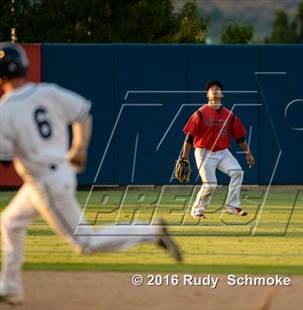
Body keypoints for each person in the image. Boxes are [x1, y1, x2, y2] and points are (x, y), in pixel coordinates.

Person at [0, 43, 182, 305]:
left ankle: (152, 232)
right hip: (59, 172)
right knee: (10, 221)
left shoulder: (6, 109)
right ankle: (10, 286)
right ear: (24, 67)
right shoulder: (47, 91)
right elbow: (84, 112)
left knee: (85, 243)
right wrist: (79, 147)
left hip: (45, 182)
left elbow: (4, 160)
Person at [181, 80, 256, 219]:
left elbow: (239, 138)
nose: (214, 90)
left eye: (217, 88)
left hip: (222, 152)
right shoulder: (200, 113)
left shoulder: (229, 115)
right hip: (203, 152)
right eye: (211, 89)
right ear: (207, 95)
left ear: (222, 94)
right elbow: (189, 138)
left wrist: (248, 153)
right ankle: (197, 210)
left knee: (238, 172)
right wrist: (184, 157)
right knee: (210, 184)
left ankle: (232, 206)